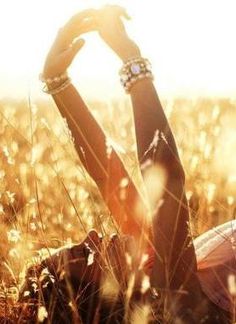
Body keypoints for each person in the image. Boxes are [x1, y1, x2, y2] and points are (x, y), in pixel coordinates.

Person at [34, 5, 234, 323]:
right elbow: (164, 178)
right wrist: (132, 61)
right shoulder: (176, 303)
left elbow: (108, 173)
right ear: (94, 293)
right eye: (79, 254)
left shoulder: (154, 267)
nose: (90, 235)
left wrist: (58, 82)